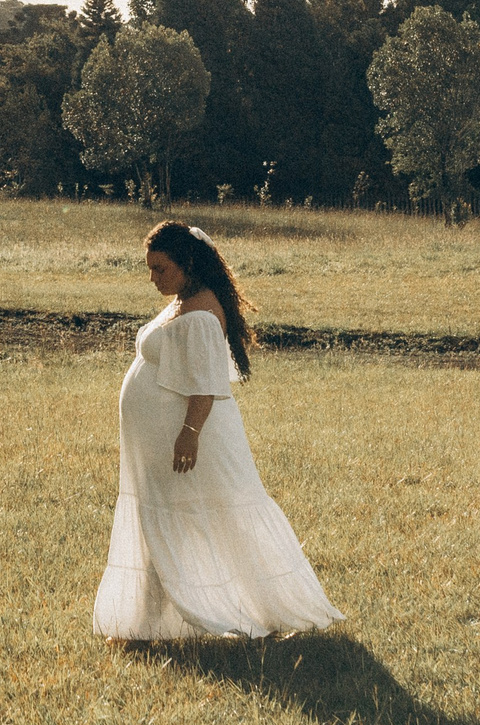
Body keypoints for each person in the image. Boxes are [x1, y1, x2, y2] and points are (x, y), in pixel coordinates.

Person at [93, 220, 344, 642]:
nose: (153, 278)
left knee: (211, 519)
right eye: (149, 268)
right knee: (162, 521)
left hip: (187, 442)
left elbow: (206, 386)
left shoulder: (203, 314)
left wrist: (189, 433)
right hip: (160, 444)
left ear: (187, 263)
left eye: (160, 269)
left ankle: (253, 611)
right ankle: (148, 622)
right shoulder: (183, 300)